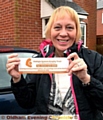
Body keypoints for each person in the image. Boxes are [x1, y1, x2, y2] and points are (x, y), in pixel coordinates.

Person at [6, 6, 103, 120]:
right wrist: (17, 80)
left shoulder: (94, 59)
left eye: (69, 28)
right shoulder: (39, 61)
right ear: (50, 31)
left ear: (77, 31)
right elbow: (27, 103)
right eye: (57, 27)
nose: (63, 33)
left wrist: (86, 79)